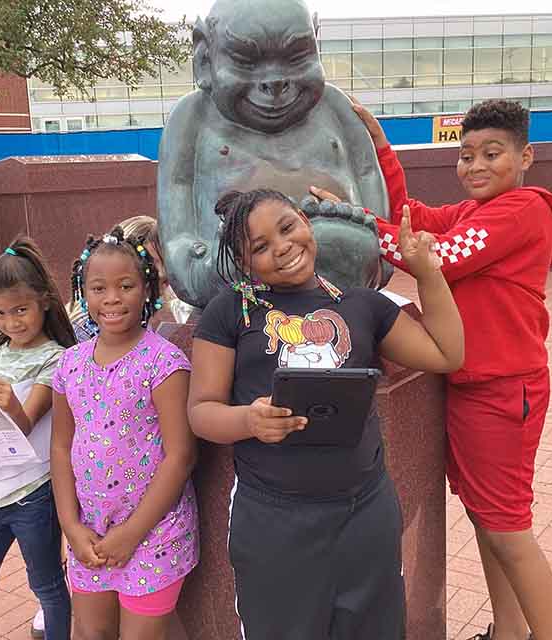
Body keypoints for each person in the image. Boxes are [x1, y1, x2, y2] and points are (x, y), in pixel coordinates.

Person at [313, 99, 552, 640]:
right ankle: (508, 631)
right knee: (487, 520)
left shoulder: (524, 210)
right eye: (466, 155)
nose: (475, 166)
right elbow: (413, 217)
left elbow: (438, 258)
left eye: (491, 154)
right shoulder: (474, 210)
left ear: (526, 156)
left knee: (508, 529)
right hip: (473, 386)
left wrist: (353, 223)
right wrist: (380, 148)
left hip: (504, 391)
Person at [187, 189, 464, 640]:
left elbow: (447, 353)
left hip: (366, 512)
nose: (281, 247)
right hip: (275, 520)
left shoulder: (362, 305)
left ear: (305, 221)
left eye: (286, 227)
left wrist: (427, 272)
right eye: (259, 247)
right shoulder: (230, 312)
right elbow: (201, 411)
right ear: (245, 264)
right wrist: (248, 421)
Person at [51, 226, 199, 640]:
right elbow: (61, 448)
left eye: (125, 285)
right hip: (90, 532)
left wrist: (131, 534)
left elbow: (181, 455)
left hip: (154, 533)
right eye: (98, 288)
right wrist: (70, 526)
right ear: (83, 294)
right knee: (91, 632)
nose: (112, 298)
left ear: (147, 289)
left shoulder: (163, 362)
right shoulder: (69, 364)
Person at [0, 236, 77, 640]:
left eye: (20, 310)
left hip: (32, 496)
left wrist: (9, 404)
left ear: (43, 301)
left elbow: (26, 424)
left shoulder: (56, 357)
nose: (11, 323)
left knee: (47, 588)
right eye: (0, 313)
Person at [68, 216, 194, 337]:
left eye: (167, 262)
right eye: (150, 263)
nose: (162, 272)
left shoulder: (174, 312)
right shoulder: (84, 331)